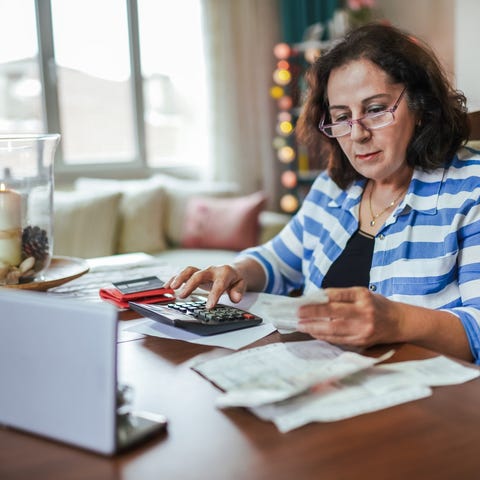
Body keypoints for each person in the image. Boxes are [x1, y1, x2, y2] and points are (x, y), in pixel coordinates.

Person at [166, 24, 480, 364]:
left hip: (435, 405)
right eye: (342, 117)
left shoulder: (470, 188)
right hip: (330, 382)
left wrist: (397, 320)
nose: (357, 134)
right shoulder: (334, 186)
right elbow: (279, 260)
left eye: (375, 109)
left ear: (420, 106)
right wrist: (236, 270)